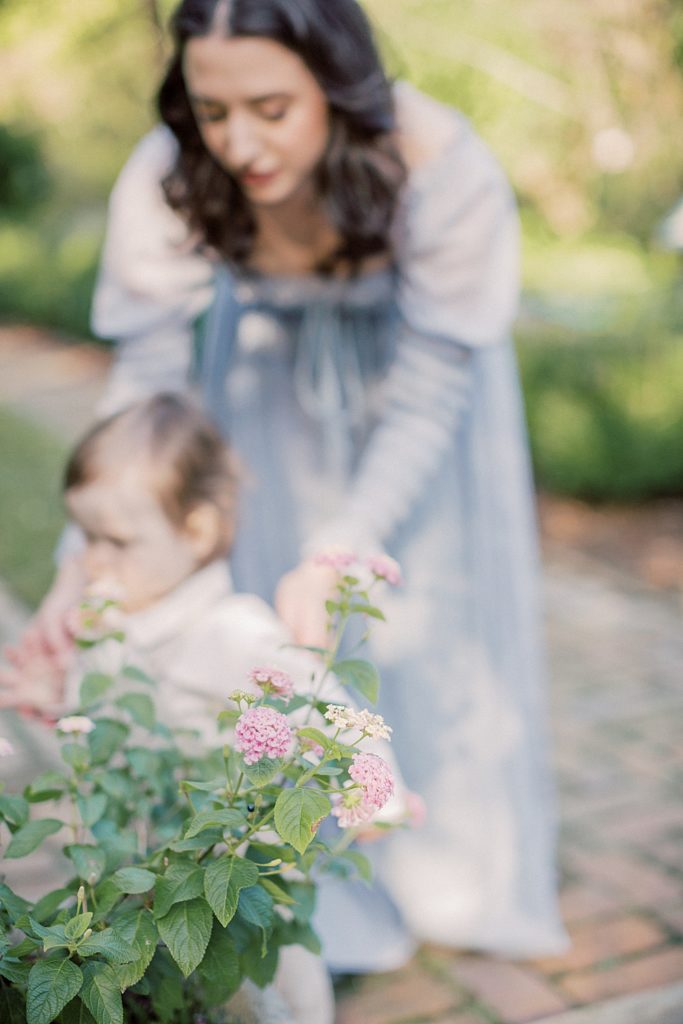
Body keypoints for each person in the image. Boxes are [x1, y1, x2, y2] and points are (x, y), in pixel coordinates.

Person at [7, 0, 567, 969]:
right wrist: (76, 567)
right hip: (263, 396)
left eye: (270, 106)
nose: (239, 143)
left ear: (336, 84)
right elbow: (146, 388)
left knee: (425, 616)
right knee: (283, 625)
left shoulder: (440, 164)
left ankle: (444, 864)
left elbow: (433, 388)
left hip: (417, 411)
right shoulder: (170, 168)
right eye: (211, 111)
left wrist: (343, 540)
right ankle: (309, 877)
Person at [0, 392, 413, 1023]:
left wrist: (377, 788)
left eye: (115, 539)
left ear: (196, 531)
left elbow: (327, 706)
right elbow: (114, 716)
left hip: (238, 883)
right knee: (165, 991)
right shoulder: (114, 619)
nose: (93, 559)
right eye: (85, 535)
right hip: (149, 876)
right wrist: (59, 707)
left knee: (268, 996)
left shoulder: (236, 632)